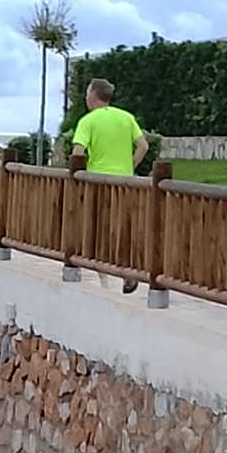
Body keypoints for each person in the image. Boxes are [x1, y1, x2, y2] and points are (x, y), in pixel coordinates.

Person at [72, 78, 149, 293]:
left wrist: (79, 174)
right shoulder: (126, 117)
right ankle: (128, 272)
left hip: (98, 183)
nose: (86, 97)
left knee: (98, 231)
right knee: (122, 228)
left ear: (94, 95)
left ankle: (104, 280)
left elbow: (78, 152)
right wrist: (130, 166)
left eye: (87, 92)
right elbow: (143, 146)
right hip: (125, 182)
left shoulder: (88, 121)